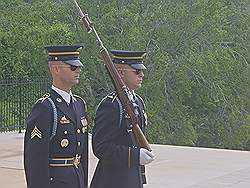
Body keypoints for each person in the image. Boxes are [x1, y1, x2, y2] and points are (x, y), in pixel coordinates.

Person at [24, 45, 88, 188]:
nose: (78, 70)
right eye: (72, 67)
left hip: (77, 180)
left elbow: (82, 155)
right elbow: (35, 160)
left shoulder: (79, 104)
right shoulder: (45, 107)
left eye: (78, 67)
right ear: (56, 69)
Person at [90, 50, 155, 188]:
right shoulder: (111, 105)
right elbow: (101, 148)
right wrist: (135, 156)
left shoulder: (138, 102)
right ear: (120, 72)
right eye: (137, 71)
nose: (142, 75)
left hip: (133, 178)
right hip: (113, 180)